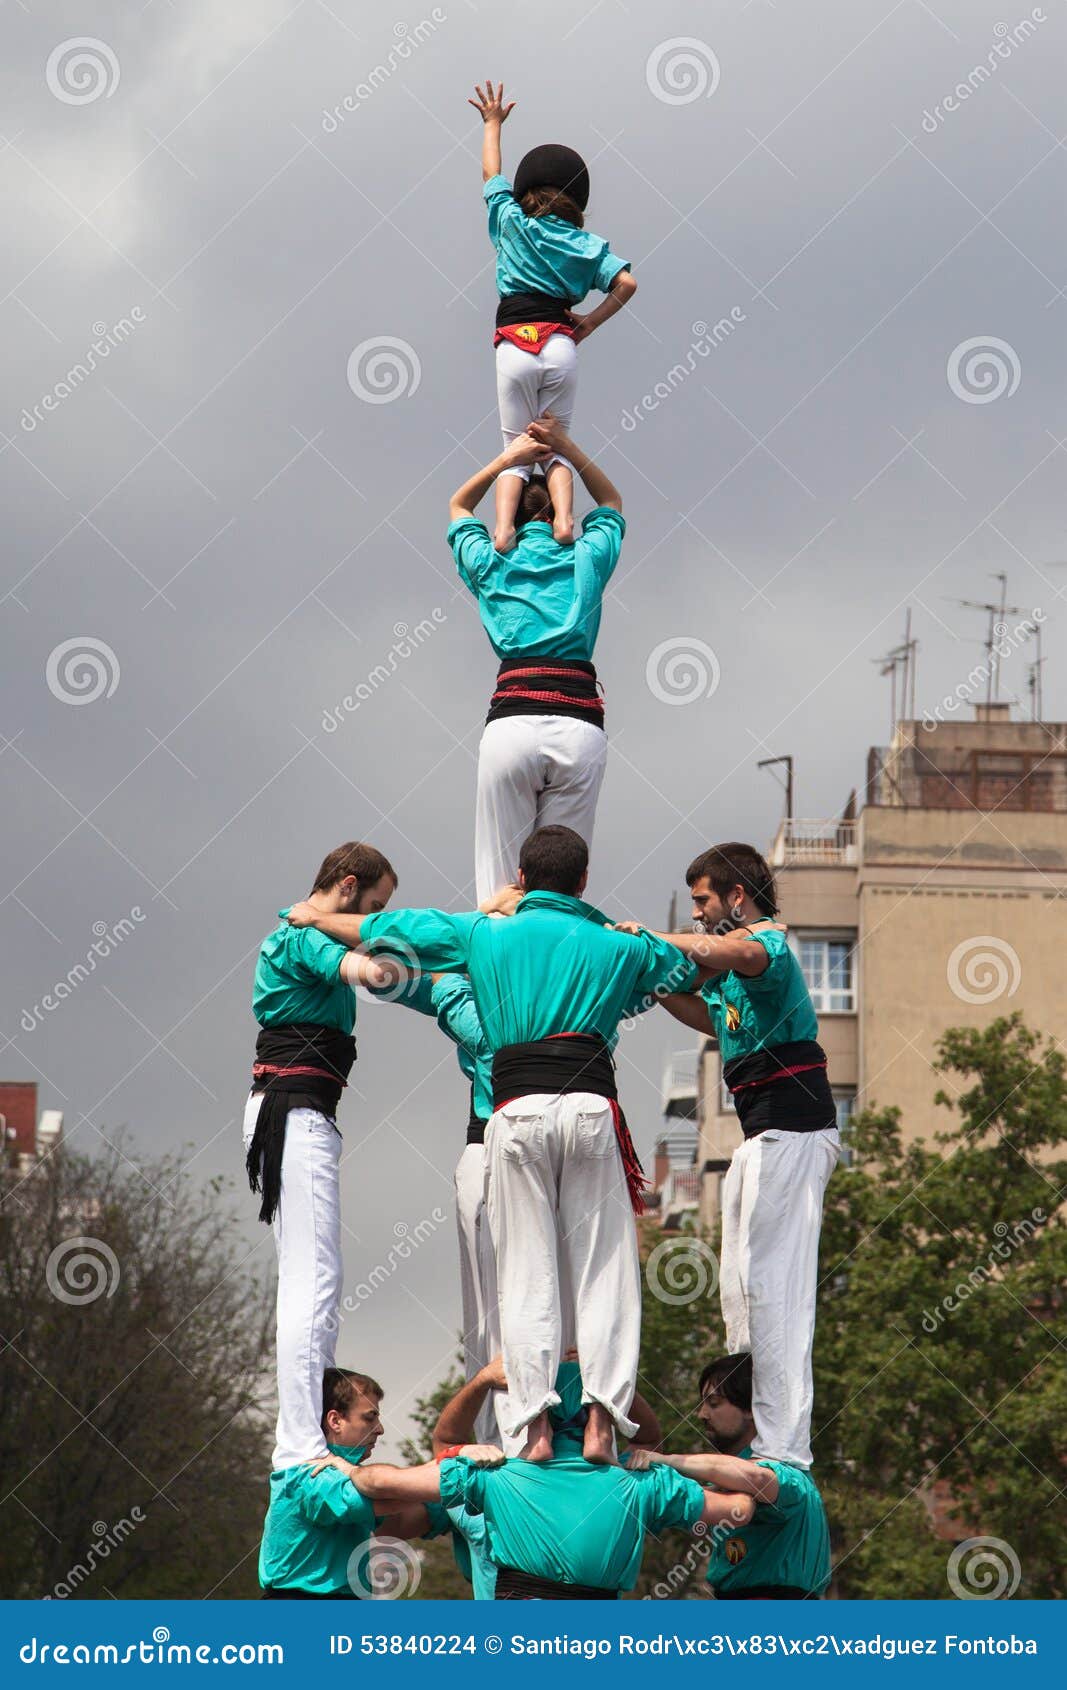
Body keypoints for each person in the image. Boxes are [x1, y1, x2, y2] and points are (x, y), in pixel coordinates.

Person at [286, 825, 699, 1465]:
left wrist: (314, 914)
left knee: (524, 1275)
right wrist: (636, 936)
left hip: (514, 1115)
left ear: (524, 881)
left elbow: (389, 932)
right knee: (604, 1273)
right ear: (584, 881)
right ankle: (599, 1420)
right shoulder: (615, 947)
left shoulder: (482, 935)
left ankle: (532, 1426)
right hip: (591, 1106)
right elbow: (682, 969)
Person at [620, 843, 840, 1470]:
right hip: (759, 1142)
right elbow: (713, 1018)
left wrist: (651, 937)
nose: (696, 915)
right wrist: (654, 985)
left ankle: (784, 1449)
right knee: (739, 1290)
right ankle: (751, 1421)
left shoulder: (766, 944)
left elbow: (734, 951)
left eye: (703, 901)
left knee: (777, 1292)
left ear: (736, 898)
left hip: (794, 1136)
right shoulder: (734, 978)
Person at [318, 1359, 753, 1600]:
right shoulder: (639, 1482)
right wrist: (608, 1382)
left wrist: (348, 1468)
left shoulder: (494, 1477)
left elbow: (389, 1487)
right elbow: (738, 1507)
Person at [244, 842, 400, 1471]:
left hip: (300, 1112)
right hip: (294, 1111)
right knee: (316, 1280)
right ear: (347, 886)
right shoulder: (302, 933)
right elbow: (371, 973)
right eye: (375, 907)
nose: (374, 920)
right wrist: (395, 955)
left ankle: (309, 1433)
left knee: (315, 1280)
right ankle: (304, 1443)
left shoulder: (306, 934)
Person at [448, 416, 624, 901]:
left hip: (511, 728)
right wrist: (566, 445)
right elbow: (611, 502)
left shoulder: (491, 558)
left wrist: (509, 459)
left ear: (516, 517)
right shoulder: (586, 555)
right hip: (579, 729)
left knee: (499, 890)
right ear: (555, 516)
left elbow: (460, 505)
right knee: (562, 887)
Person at [468, 80, 636, 551]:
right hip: (560, 344)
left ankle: (502, 532)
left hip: (512, 346)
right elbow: (627, 283)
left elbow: (490, 174)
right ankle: (564, 522)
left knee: (515, 453)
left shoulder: (510, 222)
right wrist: (588, 322)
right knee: (556, 442)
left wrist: (492, 123)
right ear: (575, 201)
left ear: (527, 192)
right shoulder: (586, 245)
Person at [628, 1354, 831, 1600]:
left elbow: (756, 1479)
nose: (701, 1414)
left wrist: (670, 1460)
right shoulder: (734, 1480)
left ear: (752, 1408)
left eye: (714, 1403)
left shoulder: (788, 1475)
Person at [258, 1368, 435, 1599]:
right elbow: (388, 1494)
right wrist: (459, 1476)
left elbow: (401, 1517)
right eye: (369, 1417)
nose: (380, 1429)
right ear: (335, 1420)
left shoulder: (337, 1471)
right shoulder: (317, 1474)